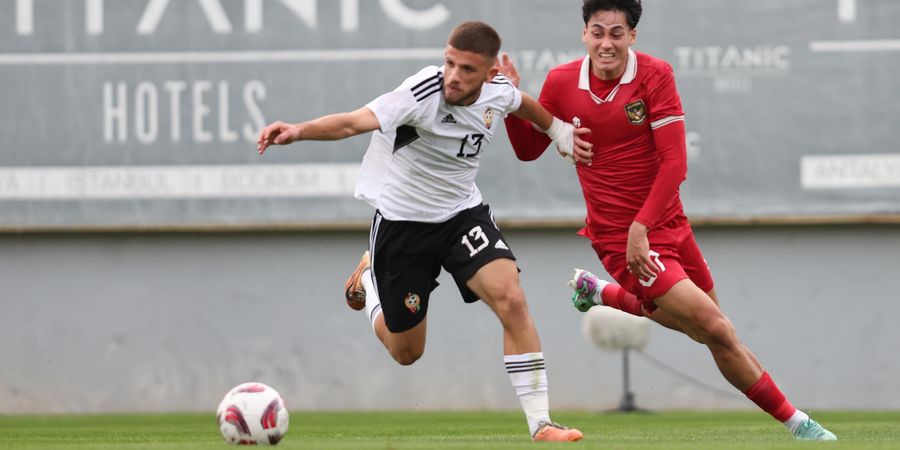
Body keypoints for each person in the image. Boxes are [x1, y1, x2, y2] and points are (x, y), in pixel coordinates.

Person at [501, 0, 837, 442]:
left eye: (617, 33)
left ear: (632, 37)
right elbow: (528, 150)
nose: (606, 43)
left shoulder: (654, 74)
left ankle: (600, 292)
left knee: (711, 331)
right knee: (716, 328)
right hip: (618, 238)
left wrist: (645, 226)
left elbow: (674, 161)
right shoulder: (563, 82)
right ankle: (800, 424)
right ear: (584, 34)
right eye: (598, 32)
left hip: (667, 225)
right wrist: (510, 102)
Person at [256, 21, 583, 442]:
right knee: (406, 351)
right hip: (403, 226)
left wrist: (560, 132)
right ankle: (370, 280)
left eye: (467, 69)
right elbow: (354, 122)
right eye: (449, 63)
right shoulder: (422, 92)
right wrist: (298, 131)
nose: (453, 76)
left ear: (488, 74)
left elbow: (522, 104)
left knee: (512, 299)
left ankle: (541, 424)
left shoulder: (497, 91)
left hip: (462, 216)